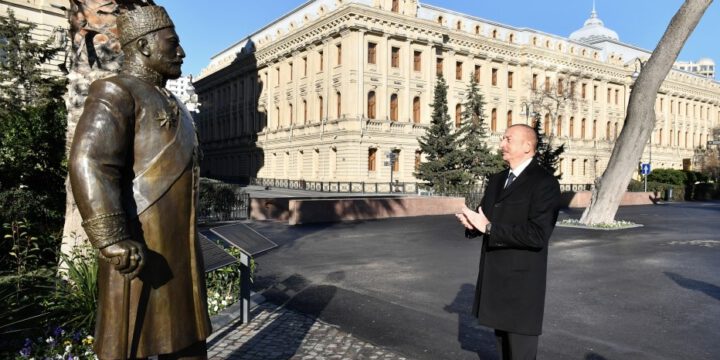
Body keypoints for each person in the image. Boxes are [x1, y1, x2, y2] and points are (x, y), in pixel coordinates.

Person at [69, 6, 211, 359]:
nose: (181, 53)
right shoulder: (116, 91)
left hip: (179, 250)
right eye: (172, 44)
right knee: (133, 343)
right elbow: (90, 161)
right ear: (145, 46)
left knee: (187, 340)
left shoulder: (172, 99)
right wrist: (112, 238)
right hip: (140, 248)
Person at [456, 124, 561, 360]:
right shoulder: (497, 180)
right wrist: (473, 225)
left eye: (508, 139)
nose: (502, 144)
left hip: (522, 286)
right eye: (503, 139)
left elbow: (537, 235)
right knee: (502, 349)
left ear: (527, 146)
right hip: (496, 281)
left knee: (521, 353)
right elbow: (486, 218)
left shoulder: (544, 182)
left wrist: (489, 228)